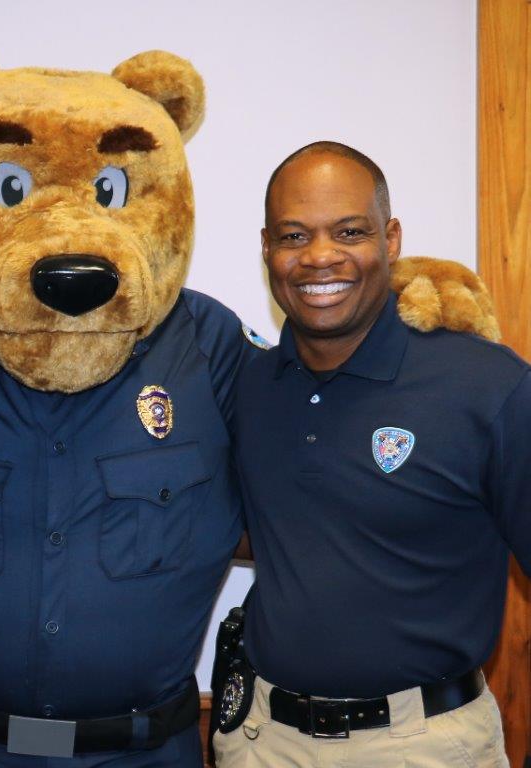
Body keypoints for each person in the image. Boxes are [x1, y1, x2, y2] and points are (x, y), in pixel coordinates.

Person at [214, 142, 531, 767]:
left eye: (349, 231)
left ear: (391, 240)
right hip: (263, 743)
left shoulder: (486, 385)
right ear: (267, 249)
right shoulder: (250, 385)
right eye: (293, 235)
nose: (320, 256)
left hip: (425, 746)